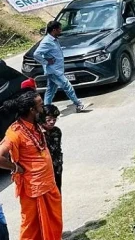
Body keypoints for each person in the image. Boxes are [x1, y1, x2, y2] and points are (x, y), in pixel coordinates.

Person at [0, 90, 63, 240]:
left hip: (49, 184)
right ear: (32, 110)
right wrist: (15, 167)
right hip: (33, 189)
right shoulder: (15, 132)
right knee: (31, 227)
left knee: (54, 221)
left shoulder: (36, 123)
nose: (43, 108)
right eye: (40, 105)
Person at [33, 21, 89, 112]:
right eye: (59, 29)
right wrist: (46, 61)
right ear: (54, 30)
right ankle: (78, 104)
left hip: (56, 70)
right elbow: (36, 54)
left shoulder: (54, 39)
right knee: (67, 86)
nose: (61, 30)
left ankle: (46, 110)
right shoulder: (47, 41)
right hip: (54, 71)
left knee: (50, 90)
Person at [41, 105, 62, 192]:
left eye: (54, 119)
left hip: (57, 166)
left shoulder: (57, 131)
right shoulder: (37, 133)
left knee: (57, 190)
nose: (52, 122)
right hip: (44, 170)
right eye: (48, 119)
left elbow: (57, 148)